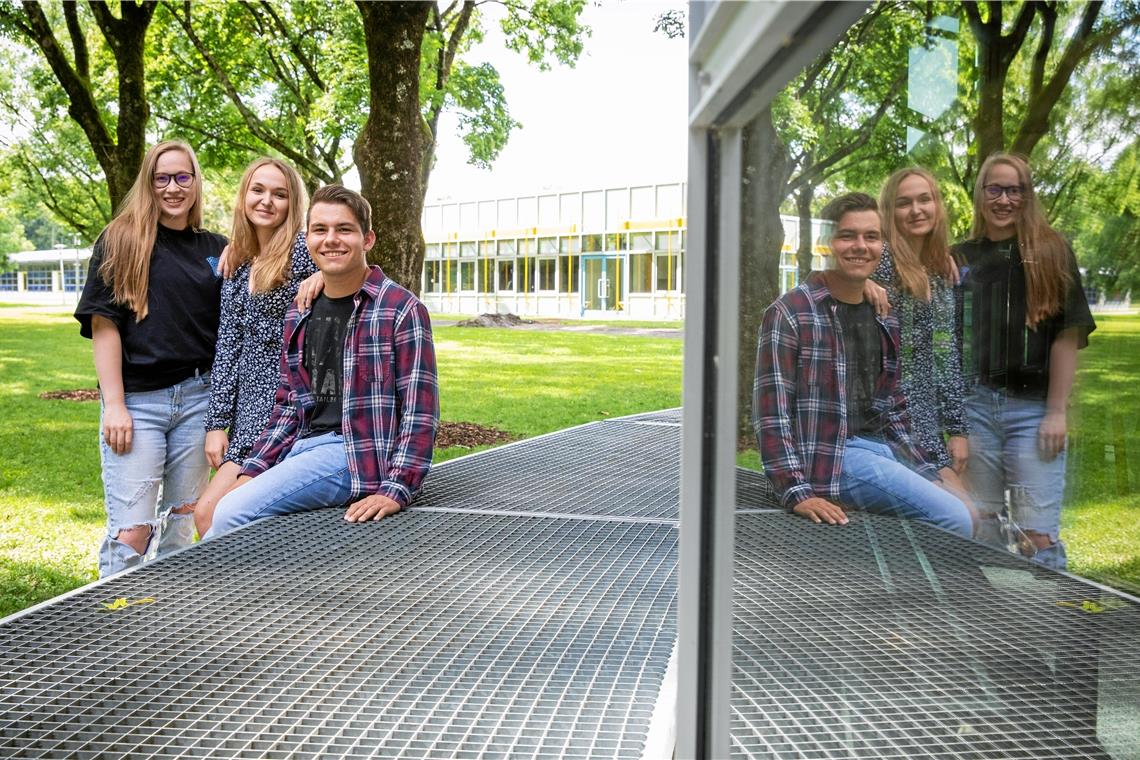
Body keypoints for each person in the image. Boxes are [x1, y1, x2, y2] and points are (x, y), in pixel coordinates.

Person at [204, 185, 439, 537]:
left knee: (229, 514)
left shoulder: (400, 309)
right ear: (308, 239)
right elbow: (288, 408)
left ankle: (214, 592)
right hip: (299, 448)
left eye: (344, 229)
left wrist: (398, 488)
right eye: (320, 230)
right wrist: (252, 470)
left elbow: (420, 412)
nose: (331, 239)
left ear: (368, 239)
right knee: (224, 507)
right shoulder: (300, 312)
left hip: (351, 455)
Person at [753, 192, 972, 537]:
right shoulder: (791, 313)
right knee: (955, 519)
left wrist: (933, 470)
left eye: (871, 237)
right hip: (834, 457)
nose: (860, 246)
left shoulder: (883, 314)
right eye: (847, 235)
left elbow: (894, 410)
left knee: (965, 504)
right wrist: (796, 491)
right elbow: (771, 415)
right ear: (828, 242)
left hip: (882, 448)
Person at [74, 140, 226, 576]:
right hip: (138, 403)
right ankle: (112, 624)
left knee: (184, 520)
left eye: (183, 177)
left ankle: (165, 625)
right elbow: (104, 326)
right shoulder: (121, 239)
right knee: (132, 532)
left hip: (199, 398)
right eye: (162, 178)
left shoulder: (216, 248)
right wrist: (115, 404)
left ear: (195, 182)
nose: (173, 188)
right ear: (149, 183)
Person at [955, 153, 1095, 569]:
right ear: (980, 194)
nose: (1004, 199)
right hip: (976, 408)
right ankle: (994, 621)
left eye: (1014, 190)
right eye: (994, 189)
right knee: (982, 524)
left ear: (1027, 195)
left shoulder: (1050, 251)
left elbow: (1067, 335)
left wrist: (1055, 411)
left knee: (1038, 535)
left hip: (1032, 410)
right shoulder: (961, 257)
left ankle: (1050, 626)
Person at [193, 158, 317, 536]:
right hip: (248, 416)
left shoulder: (302, 251)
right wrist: (217, 424)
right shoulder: (239, 261)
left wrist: (322, 277)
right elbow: (228, 345)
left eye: (279, 194)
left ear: (293, 203)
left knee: (229, 517)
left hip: (289, 411)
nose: (266, 201)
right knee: (206, 515)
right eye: (258, 190)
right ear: (244, 194)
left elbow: (345, 264)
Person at [866, 167, 969, 493]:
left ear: (937, 205)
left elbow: (946, 352)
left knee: (958, 517)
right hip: (888, 417)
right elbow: (832, 279)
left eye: (925, 199)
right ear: (889, 212)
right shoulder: (880, 257)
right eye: (903, 202)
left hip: (927, 416)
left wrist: (957, 428)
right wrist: (861, 282)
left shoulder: (940, 267)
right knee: (959, 512)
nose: (916, 210)